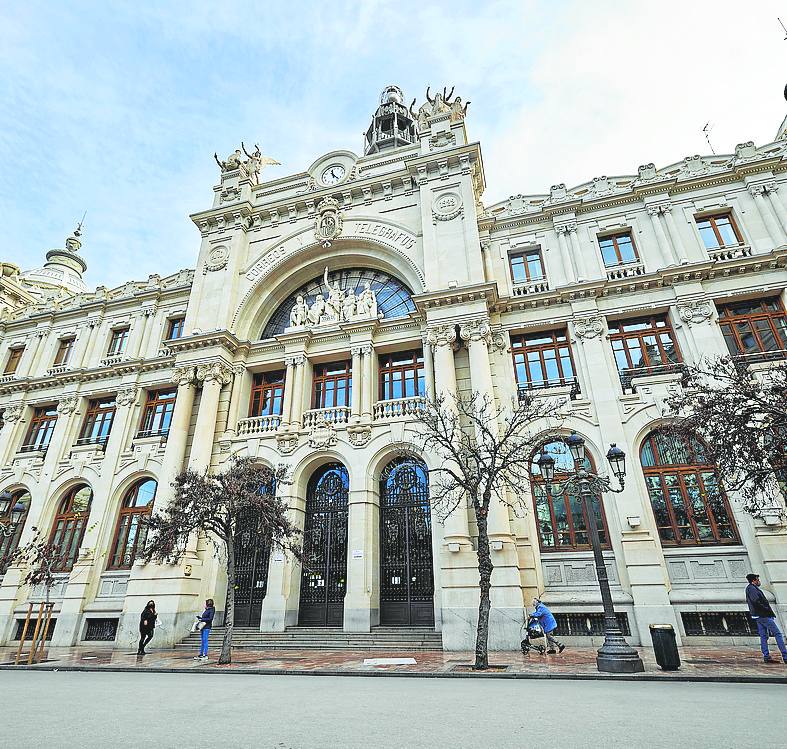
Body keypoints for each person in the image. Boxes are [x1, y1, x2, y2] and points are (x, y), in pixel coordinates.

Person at [745, 573, 787, 664]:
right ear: (754, 580)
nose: (759, 581)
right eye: (757, 579)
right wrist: (766, 608)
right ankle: (785, 656)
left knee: (764, 636)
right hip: (763, 615)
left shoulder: (751, 588)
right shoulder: (752, 588)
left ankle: (766, 656)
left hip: (759, 615)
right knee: (778, 634)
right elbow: (756, 601)